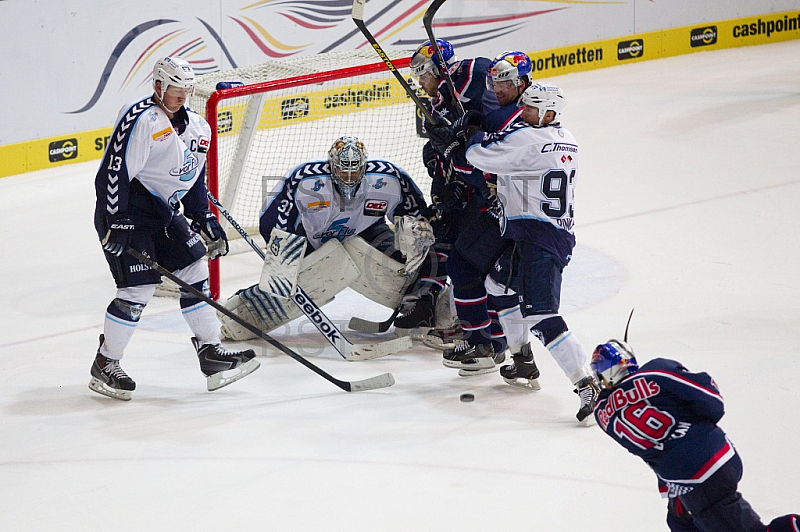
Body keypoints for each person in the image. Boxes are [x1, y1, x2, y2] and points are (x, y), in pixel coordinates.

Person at [91, 56, 260, 401]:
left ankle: (210, 352)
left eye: (186, 90)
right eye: (175, 90)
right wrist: (116, 220)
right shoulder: (140, 117)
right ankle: (106, 363)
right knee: (138, 291)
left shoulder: (198, 127)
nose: (182, 96)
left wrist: (204, 217)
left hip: (165, 214)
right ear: (158, 87)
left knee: (196, 268)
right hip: (128, 215)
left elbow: (194, 179)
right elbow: (113, 172)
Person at [441, 82, 599, 422]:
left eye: (530, 109)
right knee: (498, 287)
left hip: (540, 239)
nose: (523, 113)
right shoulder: (566, 138)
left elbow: (480, 156)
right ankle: (523, 363)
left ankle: (588, 384)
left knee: (541, 314)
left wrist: (465, 138)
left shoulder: (527, 140)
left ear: (549, 113)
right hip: (539, 233)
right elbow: (513, 165)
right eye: (525, 106)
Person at [218, 135, 440, 339]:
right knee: (294, 284)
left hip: (368, 232)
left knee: (409, 255)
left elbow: (417, 218)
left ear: (365, 167)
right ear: (331, 166)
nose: (350, 177)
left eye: (355, 171)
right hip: (313, 241)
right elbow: (273, 218)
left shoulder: (388, 177)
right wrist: (283, 263)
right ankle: (243, 310)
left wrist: (417, 241)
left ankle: (424, 305)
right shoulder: (306, 179)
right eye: (343, 171)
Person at [590, 339, 799, 532]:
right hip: (713, 458)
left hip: (696, 479)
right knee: (679, 521)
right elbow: (713, 402)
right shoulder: (657, 371)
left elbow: (647, 448)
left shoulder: (602, 414)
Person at [410, 40, 512, 371]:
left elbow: (491, 111)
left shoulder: (473, 72)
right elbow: (448, 154)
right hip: (480, 192)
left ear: (438, 70)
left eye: (422, 75)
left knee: (483, 268)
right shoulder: (437, 106)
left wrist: (464, 127)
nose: (420, 84)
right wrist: (446, 192)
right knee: (466, 259)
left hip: (501, 190)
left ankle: (494, 341)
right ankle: (489, 338)